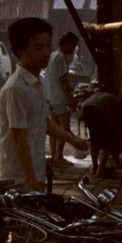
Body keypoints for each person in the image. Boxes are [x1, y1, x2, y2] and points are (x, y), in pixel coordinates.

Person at [0, 18, 86, 191]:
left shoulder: (37, 83)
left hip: (35, 173)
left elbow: (44, 122)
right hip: (19, 179)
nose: (46, 53)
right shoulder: (17, 88)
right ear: (21, 51)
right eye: (38, 48)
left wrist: (72, 139)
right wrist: (32, 183)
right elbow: (19, 139)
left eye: (47, 46)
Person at [44, 31, 80, 165]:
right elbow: (63, 81)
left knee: (54, 129)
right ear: (66, 43)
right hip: (59, 98)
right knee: (64, 129)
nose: (73, 48)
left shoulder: (53, 55)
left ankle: (54, 156)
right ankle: (58, 157)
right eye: (73, 45)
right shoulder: (61, 58)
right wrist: (72, 99)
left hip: (50, 97)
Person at [81, 90, 122, 178]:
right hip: (99, 110)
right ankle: (100, 170)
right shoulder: (119, 105)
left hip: (85, 107)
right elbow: (116, 125)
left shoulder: (109, 97)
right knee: (106, 141)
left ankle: (95, 167)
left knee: (94, 139)